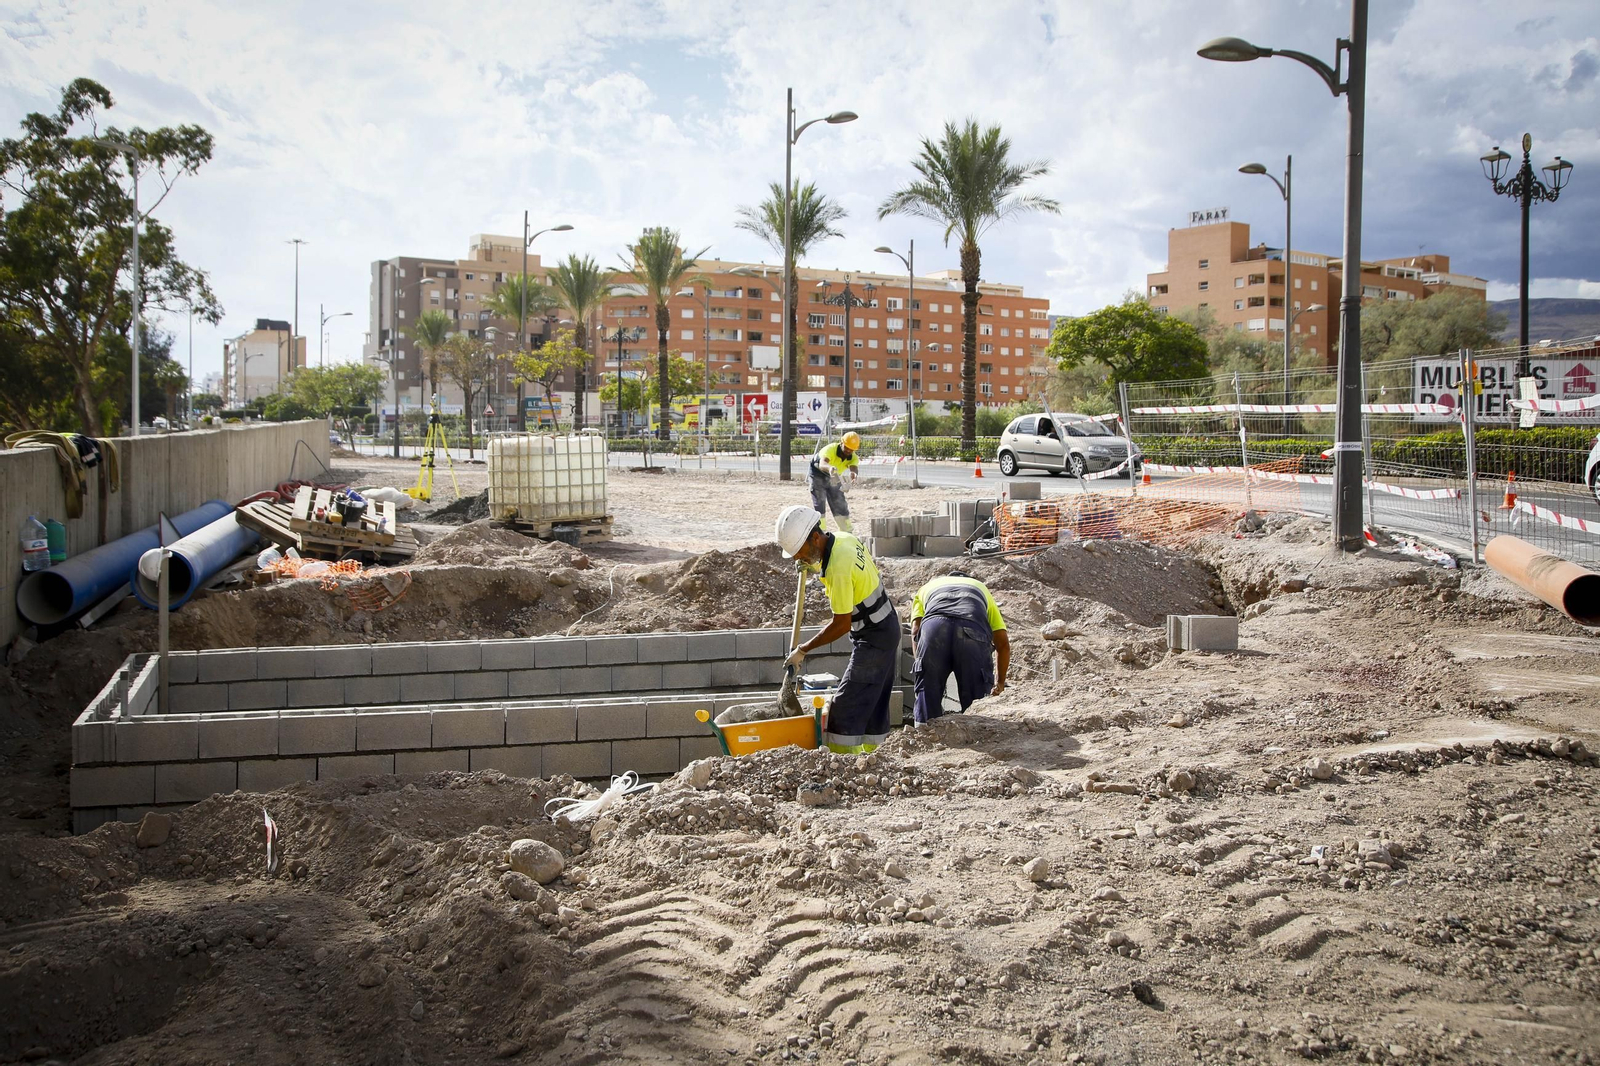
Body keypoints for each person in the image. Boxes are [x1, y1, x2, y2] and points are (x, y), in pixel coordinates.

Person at [775, 504, 899, 754]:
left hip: (874, 638)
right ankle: (873, 760)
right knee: (873, 708)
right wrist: (811, 565)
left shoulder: (837, 570)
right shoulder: (842, 539)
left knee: (843, 711)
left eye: (801, 553)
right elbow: (843, 568)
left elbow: (841, 624)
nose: (799, 558)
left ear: (815, 537)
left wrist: (803, 650)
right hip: (885, 627)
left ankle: (841, 766)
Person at [908, 570, 1009, 725]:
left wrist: (922, 664)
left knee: (927, 692)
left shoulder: (927, 587)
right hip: (971, 629)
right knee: (976, 697)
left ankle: (924, 737)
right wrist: (1000, 682)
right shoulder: (980, 587)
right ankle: (978, 731)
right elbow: (1002, 643)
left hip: (934, 628)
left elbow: (915, 631)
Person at [807, 431, 862, 533]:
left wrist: (854, 473)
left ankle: (846, 531)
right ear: (841, 443)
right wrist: (830, 468)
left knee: (839, 500)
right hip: (818, 472)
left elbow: (854, 467)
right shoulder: (830, 449)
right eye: (846, 448)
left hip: (834, 475)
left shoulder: (853, 457)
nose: (848, 451)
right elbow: (822, 464)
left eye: (851, 450)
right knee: (819, 500)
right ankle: (821, 531)